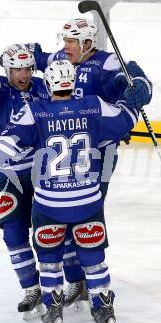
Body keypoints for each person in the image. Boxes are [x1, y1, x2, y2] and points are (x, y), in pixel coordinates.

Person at [0, 59, 151, 323]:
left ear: (48, 84)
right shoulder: (93, 105)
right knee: (93, 256)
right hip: (87, 201)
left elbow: (8, 143)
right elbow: (126, 118)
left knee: (49, 256)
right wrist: (137, 87)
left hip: (50, 203)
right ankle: (103, 306)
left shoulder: (36, 111)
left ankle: (52, 305)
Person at [28, 18, 152, 305]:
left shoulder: (107, 63)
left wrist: (140, 85)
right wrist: (30, 55)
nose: (66, 47)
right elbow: (42, 60)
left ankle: (89, 279)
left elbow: (132, 88)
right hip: (67, 153)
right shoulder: (61, 58)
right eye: (65, 41)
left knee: (84, 216)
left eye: (72, 42)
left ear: (87, 43)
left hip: (100, 152)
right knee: (65, 217)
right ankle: (79, 280)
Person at [0, 44, 50, 319]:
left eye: (28, 68)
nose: (24, 74)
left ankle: (61, 285)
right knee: (13, 233)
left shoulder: (44, 86)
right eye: (17, 69)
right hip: (7, 173)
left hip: (42, 172)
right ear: (7, 69)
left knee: (48, 233)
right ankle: (31, 288)